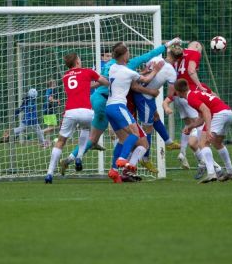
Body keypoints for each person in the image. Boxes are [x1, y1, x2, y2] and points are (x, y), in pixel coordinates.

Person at [61, 38, 179, 172]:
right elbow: (148, 56)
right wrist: (166, 47)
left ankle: (72, 158)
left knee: (94, 138)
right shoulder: (130, 65)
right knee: (131, 137)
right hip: (111, 103)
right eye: (127, 51)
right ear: (124, 55)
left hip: (96, 99)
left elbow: (110, 79)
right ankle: (126, 162)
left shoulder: (110, 65)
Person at [45, 53, 109, 183]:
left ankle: (49, 173)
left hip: (70, 112)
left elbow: (81, 86)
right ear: (77, 62)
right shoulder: (87, 72)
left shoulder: (65, 77)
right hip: (86, 111)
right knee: (85, 130)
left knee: (61, 142)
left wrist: (90, 83)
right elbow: (105, 82)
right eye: (79, 58)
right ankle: (79, 157)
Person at [106, 43, 162, 183]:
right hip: (119, 106)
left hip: (109, 107)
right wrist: (155, 70)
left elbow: (128, 77)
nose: (129, 54)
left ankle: (113, 170)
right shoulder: (128, 72)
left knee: (123, 140)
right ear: (125, 55)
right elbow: (146, 80)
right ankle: (122, 159)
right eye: (128, 52)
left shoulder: (113, 67)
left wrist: (142, 72)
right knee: (135, 134)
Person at [173, 79, 232, 183]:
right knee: (217, 143)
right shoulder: (194, 94)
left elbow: (206, 111)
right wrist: (191, 126)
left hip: (218, 114)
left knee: (203, 143)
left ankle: (211, 173)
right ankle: (230, 172)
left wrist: (209, 130)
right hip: (228, 112)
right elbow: (201, 118)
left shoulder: (190, 98)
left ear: (178, 92)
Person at [132, 53, 180, 174]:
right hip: (145, 97)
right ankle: (145, 158)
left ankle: (168, 142)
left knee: (155, 117)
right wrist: (169, 99)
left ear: (168, 53)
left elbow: (144, 71)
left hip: (144, 93)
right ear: (177, 60)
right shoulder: (172, 72)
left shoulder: (155, 58)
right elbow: (170, 92)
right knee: (147, 128)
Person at [169, 42, 208, 170]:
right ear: (197, 47)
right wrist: (200, 86)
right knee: (198, 124)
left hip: (177, 95)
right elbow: (191, 70)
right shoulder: (194, 53)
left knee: (188, 126)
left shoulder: (179, 53)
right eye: (200, 51)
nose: (200, 54)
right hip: (188, 93)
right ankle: (203, 160)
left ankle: (182, 152)